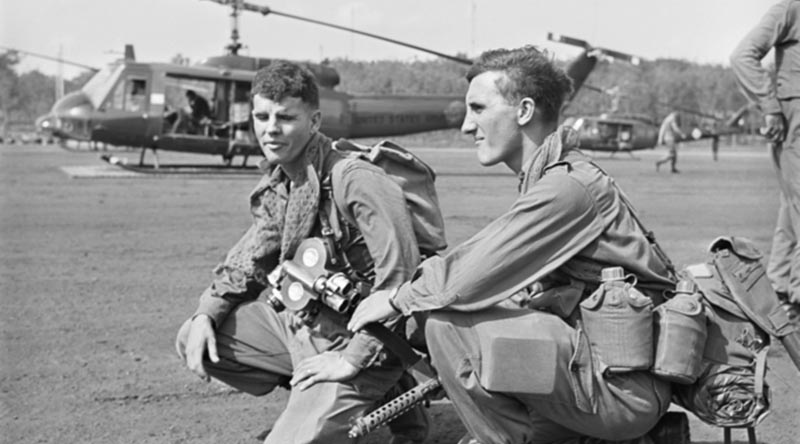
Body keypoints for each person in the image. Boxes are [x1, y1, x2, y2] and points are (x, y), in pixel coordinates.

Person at [348, 46, 680, 444]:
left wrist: (398, 297)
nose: (467, 127)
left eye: (479, 108)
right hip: (602, 370)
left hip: (621, 391)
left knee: (444, 323)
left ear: (523, 111)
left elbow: (469, 275)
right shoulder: (553, 178)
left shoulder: (567, 188)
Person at [175, 60, 430, 444]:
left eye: (285, 117)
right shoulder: (284, 178)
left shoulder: (356, 181)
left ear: (314, 121)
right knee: (196, 334)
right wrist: (205, 313)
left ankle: (377, 388)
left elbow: (401, 282)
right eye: (261, 116)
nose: (270, 129)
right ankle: (368, 396)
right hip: (305, 325)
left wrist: (353, 359)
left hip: (366, 340)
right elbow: (249, 259)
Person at [730, 0, 800, 308]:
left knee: (791, 208)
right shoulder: (790, 8)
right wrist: (770, 106)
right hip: (794, 116)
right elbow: (741, 56)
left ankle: (780, 292)